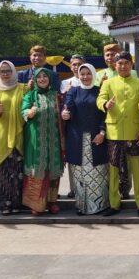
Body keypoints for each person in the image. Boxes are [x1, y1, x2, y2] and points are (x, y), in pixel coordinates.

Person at [97, 51, 139, 216]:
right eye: (120, 63)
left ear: (131, 65)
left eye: (126, 63)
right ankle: (114, 203)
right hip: (115, 132)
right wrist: (105, 104)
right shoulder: (108, 83)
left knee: (138, 170)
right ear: (115, 65)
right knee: (114, 170)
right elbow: (99, 100)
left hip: (134, 133)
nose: (123, 66)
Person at [62, 63, 109, 215]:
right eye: (82, 74)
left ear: (94, 74)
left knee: (98, 174)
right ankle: (82, 206)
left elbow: (105, 114)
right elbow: (67, 107)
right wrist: (65, 113)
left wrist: (102, 132)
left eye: (88, 74)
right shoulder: (73, 92)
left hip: (97, 139)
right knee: (79, 174)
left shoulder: (100, 91)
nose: (85, 77)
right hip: (78, 140)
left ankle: (100, 205)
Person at [21, 68, 65, 216]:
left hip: (53, 140)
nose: (42, 79)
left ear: (50, 79)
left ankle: (52, 202)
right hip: (36, 141)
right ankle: (36, 204)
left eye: (45, 76)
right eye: (39, 77)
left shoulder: (56, 96)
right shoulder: (30, 95)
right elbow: (23, 111)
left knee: (53, 169)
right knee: (37, 169)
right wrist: (29, 112)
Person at [0, 60, 27, 216]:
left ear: (13, 71)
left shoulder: (22, 88)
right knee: (2, 171)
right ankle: (5, 204)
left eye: (8, 71)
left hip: (19, 134)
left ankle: (17, 203)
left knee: (18, 171)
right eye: (2, 71)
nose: (5, 74)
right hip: (1, 135)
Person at [61, 54, 84, 198]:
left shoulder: (89, 79)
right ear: (70, 66)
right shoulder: (65, 82)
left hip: (87, 123)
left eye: (79, 64)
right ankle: (74, 188)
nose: (76, 67)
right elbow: (61, 103)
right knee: (73, 158)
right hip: (71, 125)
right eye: (74, 64)